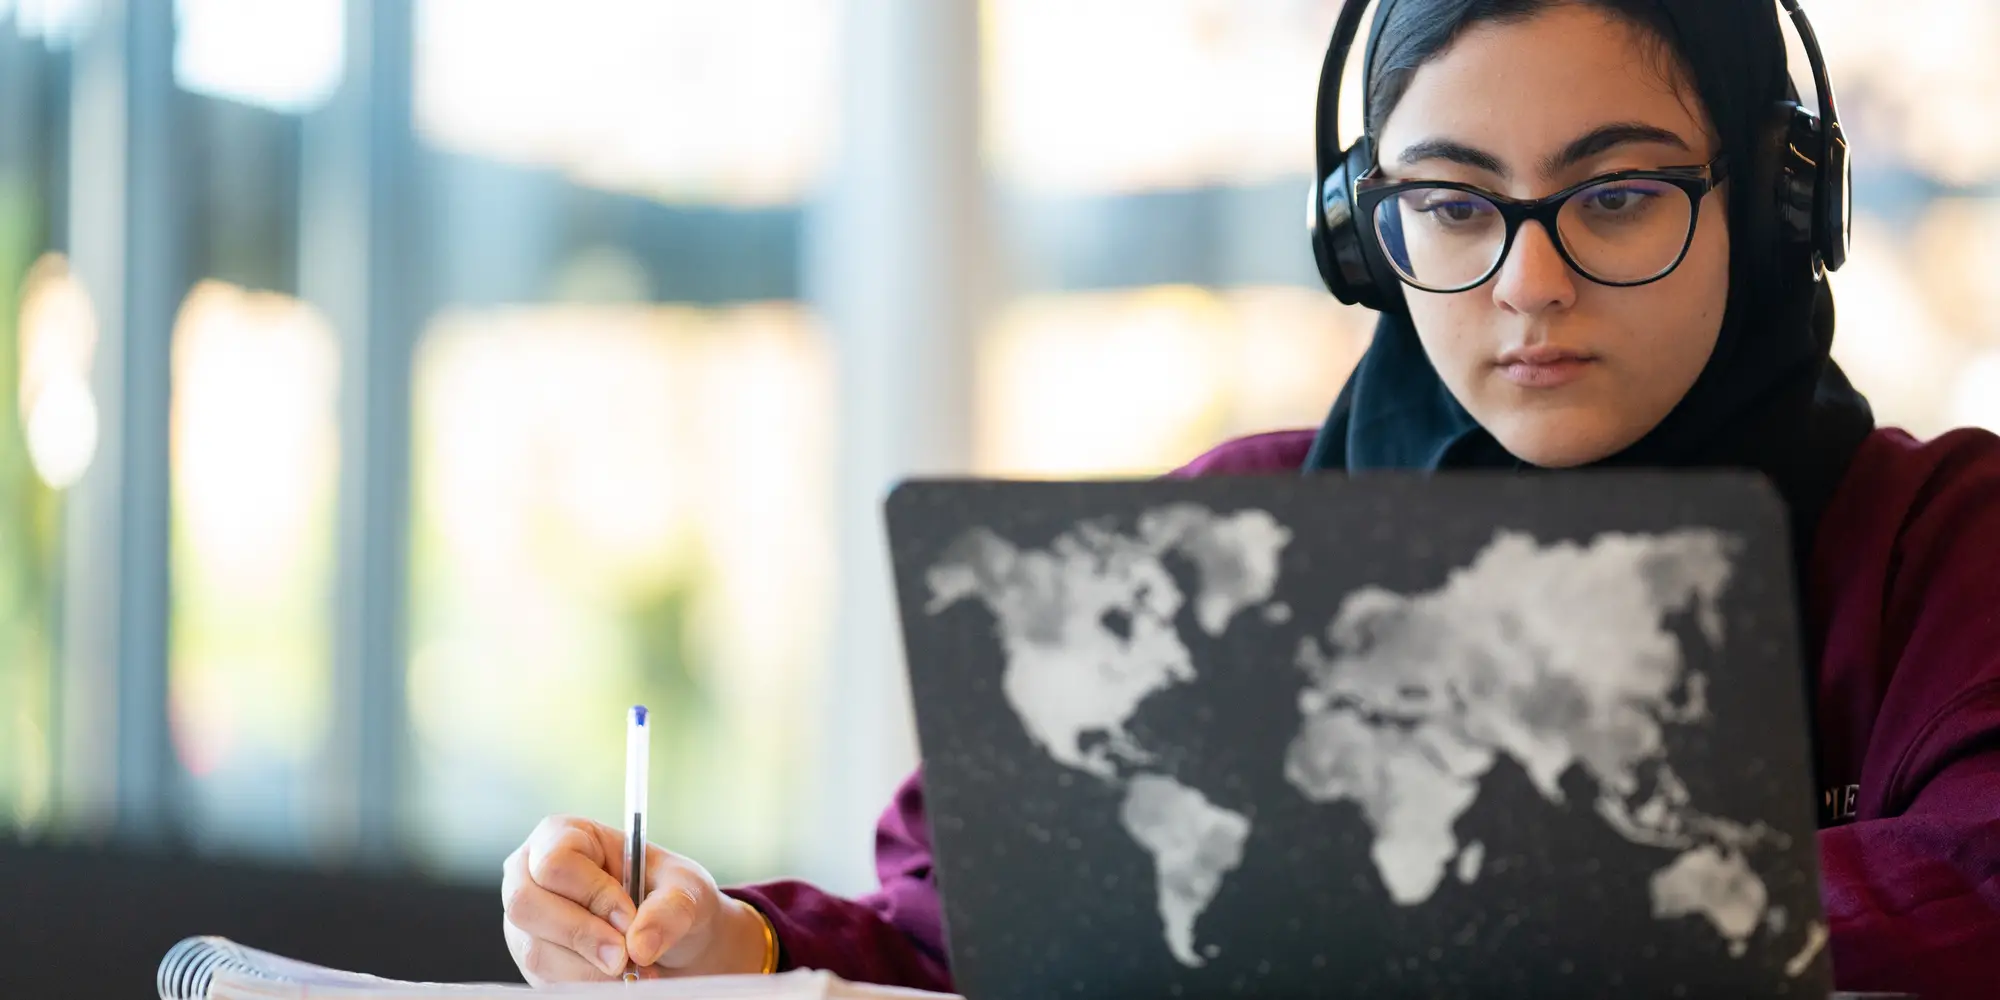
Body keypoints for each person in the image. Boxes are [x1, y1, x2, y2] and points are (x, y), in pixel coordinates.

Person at [497, 1, 2000, 996]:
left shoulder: (1948, 545)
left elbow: (1977, 884)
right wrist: (734, 946)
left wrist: (1419, 897)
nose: (1527, 285)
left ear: (1777, 199)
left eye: (1614, 195)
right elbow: (970, 917)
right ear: (1364, 234)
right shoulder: (1244, 537)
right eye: (1455, 205)